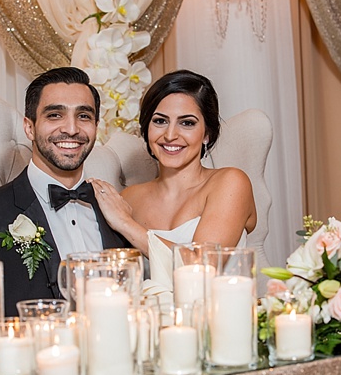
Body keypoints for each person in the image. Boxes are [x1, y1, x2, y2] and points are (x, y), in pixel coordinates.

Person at [0, 67, 128, 316]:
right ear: (29, 127)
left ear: (96, 126)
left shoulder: (117, 211)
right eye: (55, 115)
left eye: (84, 116)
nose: (72, 129)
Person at [88, 69, 256, 264]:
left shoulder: (231, 183)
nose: (170, 135)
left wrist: (125, 224)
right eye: (160, 121)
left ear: (207, 134)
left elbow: (201, 266)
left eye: (187, 123)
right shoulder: (129, 198)